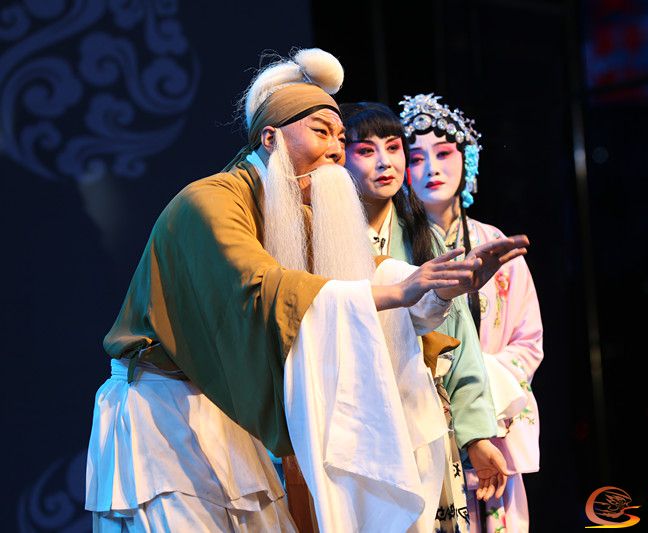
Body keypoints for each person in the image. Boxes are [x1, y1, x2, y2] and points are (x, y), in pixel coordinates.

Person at [84, 50, 529, 532]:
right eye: (322, 132)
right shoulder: (208, 202)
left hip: (231, 420)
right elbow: (264, 288)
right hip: (164, 416)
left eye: (340, 137)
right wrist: (400, 292)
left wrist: (438, 289)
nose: (337, 149)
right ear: (270, 137)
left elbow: (366, 277)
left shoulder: (293, 212)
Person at [341, 102, 512, 532]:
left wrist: (476, 435)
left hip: (424, 414)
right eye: (366, 150)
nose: (385, 162)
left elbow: (461, 342)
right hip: (355, 421)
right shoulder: (326, 238)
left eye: (393, 147)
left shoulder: (423, 236)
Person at [399, 93, 545, 533]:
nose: (432, 168)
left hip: (493, 420)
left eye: (444, 153)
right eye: (416, 158)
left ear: (468, 160)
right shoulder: (397, 247)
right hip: (421, 423)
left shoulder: (494, 243)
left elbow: (528, 341)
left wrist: (480, 385)